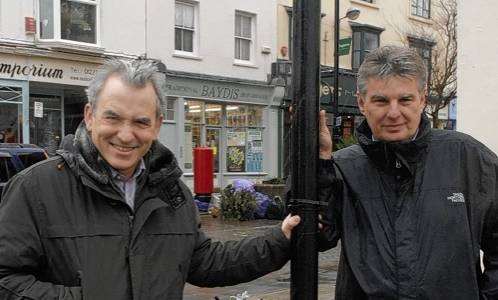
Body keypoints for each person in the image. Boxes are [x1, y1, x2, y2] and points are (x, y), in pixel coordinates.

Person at [0, 59, 300, 299]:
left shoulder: (172, 192)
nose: (126, 135)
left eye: (141, 122)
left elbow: (205, 262)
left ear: (156, 125)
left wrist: (281, 238)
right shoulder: (35, 188)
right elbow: (6, 280)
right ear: (90, 116)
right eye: (113, 118)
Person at [317, 46, 498, 299]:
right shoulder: (341, 167)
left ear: (422, 99)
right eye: (381, 101)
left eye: (405, 100)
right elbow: (318, 236)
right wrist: (318, 164)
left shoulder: (466, 156)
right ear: (361, 102)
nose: (394, 113)